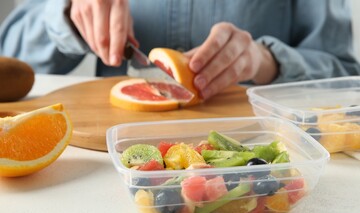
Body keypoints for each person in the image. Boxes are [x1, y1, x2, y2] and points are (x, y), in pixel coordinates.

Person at [1, 0, 360, 100]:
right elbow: (10, 50)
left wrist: (266, 61)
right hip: (111, 165)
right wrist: (65, 12)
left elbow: (346, 77)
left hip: (252, 162)